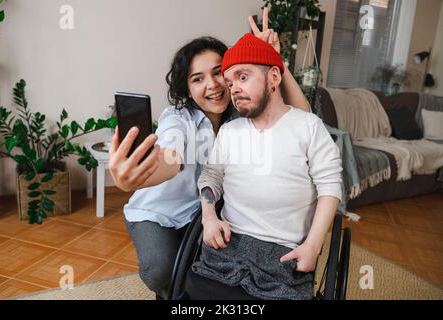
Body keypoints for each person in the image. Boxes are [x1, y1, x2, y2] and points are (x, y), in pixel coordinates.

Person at [108, 8, 310, 300]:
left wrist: (275, 61)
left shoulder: (243, 115)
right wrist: (138, 175)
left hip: (205, 213)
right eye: (197, 79)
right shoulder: (178, 118)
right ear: (188, 90)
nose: (212, 85)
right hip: (157, 213)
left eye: (217, 73)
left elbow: (302, 121)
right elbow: (170, 156)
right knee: (162, 271)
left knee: (212, 274)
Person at [192, 32, 343, 300]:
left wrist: (313, 245)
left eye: (243, 77)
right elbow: (211, 177)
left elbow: (330, 186)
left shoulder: (308, 126)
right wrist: (209, 217)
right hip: (228, 241)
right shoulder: (230, 131)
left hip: (284, 251)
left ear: (274, 77)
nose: (233, 88)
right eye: (230, 82)